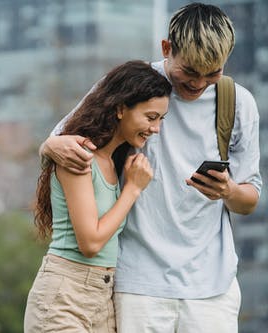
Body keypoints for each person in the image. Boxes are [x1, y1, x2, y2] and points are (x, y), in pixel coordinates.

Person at [39, 3, 262, 333]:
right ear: (166, 48)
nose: (199, 84)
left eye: (212, 73)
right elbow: (64, 139)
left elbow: (250, 198)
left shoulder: (237, 102)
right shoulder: (132, 86)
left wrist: (228, 191)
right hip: (137, 283)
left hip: (211, 288)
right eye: (189, 72)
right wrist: (48, 146)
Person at [24, 60, 172, 332]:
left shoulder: (113, 161)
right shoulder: (79, 155)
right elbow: (90, 242)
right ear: (120, 109)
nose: (156, 129)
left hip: (102, 298)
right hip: (64, 297)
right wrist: (133, 189)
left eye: (161, 119)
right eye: (150, 117)